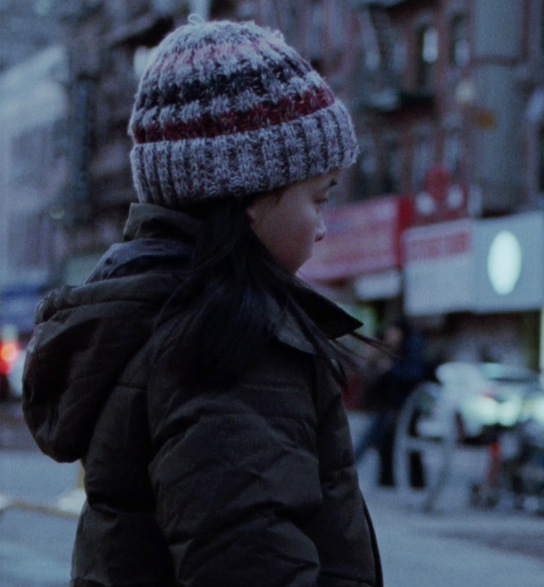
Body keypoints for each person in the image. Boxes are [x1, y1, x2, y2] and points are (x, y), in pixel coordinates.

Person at [21, 18, 382, 587]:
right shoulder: (231, 347)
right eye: (319, 197)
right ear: (249, 198)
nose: (322, 226)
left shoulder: (156, 318)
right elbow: (249, 560)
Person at [353, 317, 425, 486]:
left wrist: (391, 369)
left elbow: (414, 375)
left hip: (404, 404)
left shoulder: (411, 350)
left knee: (376, 436)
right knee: (385, 441)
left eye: (394, 332)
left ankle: (413, 480)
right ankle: (388, 479)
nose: (391, 335)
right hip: (390, 403)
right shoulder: (393, 349)